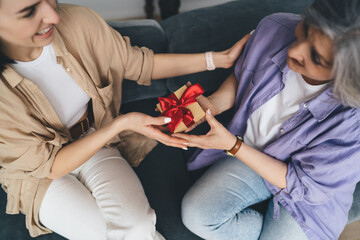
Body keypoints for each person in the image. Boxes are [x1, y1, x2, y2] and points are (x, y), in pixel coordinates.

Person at [0, 1, 248, 239]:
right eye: (29, 10)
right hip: (39, 174)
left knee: (138, 227)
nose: (53, 15)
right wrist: (121, 123)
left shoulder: (76, 21)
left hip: (95, 141)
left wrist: (217, 59)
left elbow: (139, 64)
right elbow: (51, 165)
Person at [172, 0, 360, 239]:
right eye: (304, 30)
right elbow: (244, 75)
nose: (294, 51)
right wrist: (214, 103)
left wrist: (233, 145)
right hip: (252, 153)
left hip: (307, 196)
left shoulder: (354, 123)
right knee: (197, 215)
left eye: (316, 58)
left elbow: (304, 185)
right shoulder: (274, 28)